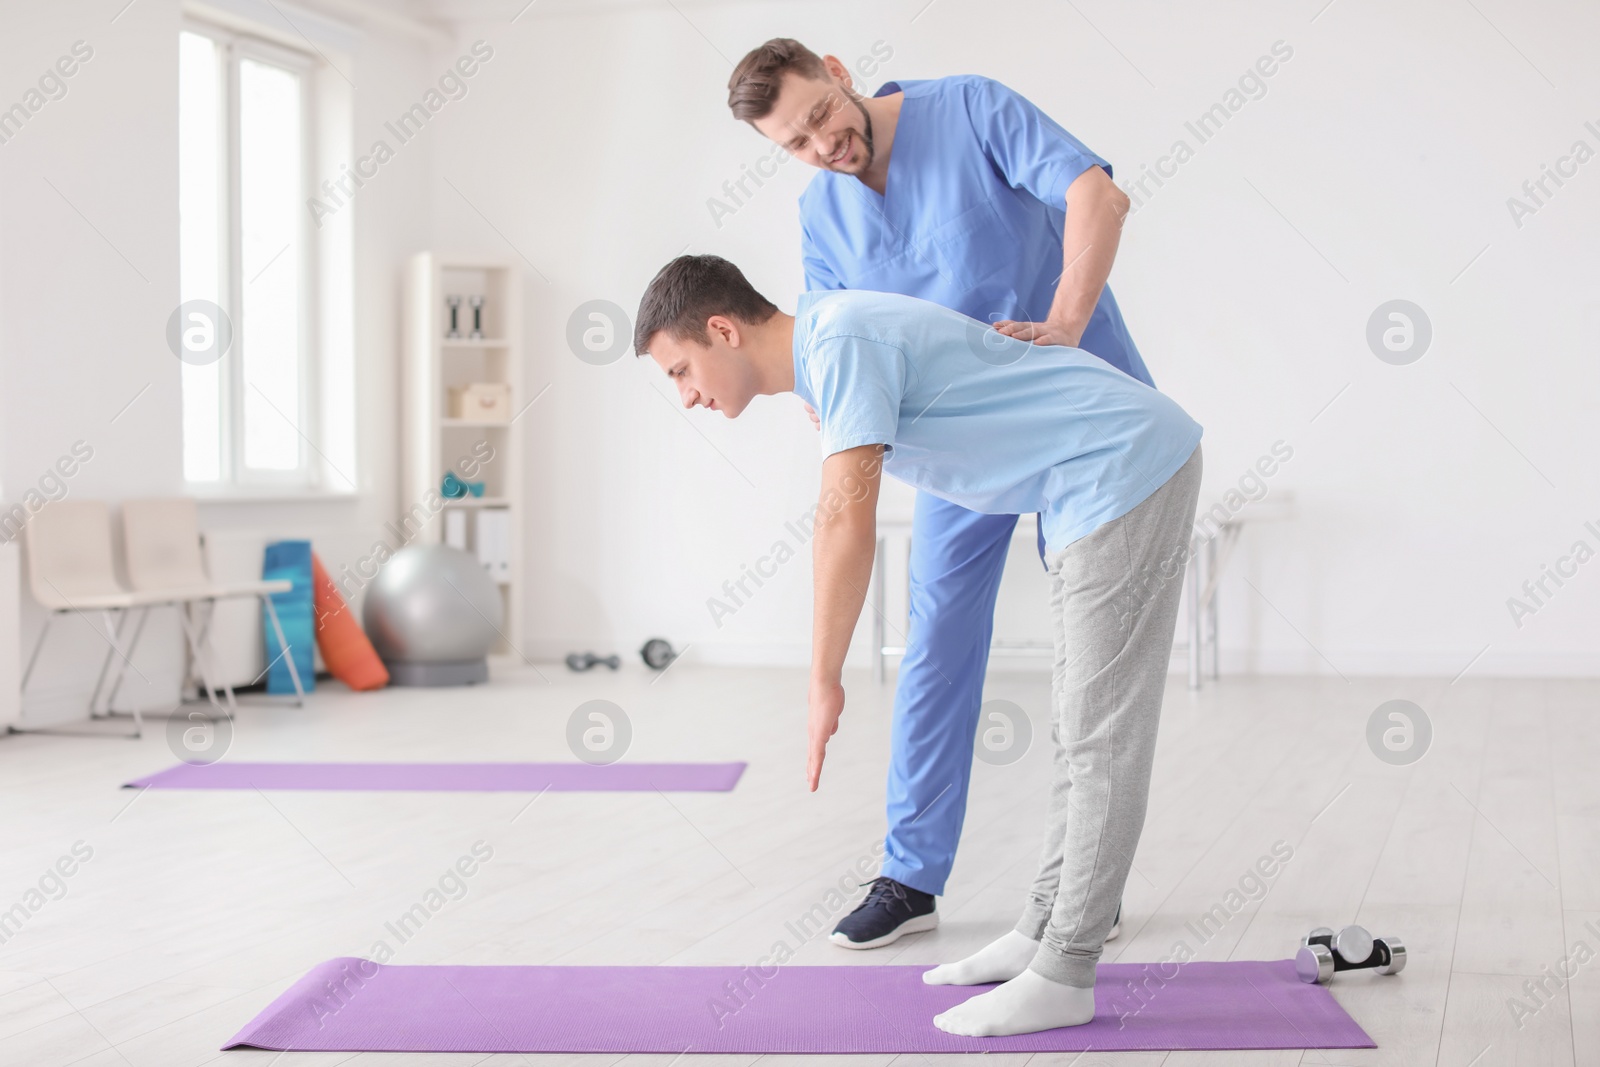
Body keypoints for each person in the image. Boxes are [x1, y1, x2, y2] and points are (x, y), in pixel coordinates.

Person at [631, 254, 1203, 1035]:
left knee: (1103, 733)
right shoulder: (833, 352)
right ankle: (1042, 927)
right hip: (1086, 482)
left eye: (680, 370)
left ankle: (1067, 970)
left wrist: (822, 678)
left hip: (1123, 466)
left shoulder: (839, 341)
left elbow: (842, 516)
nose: (687, 395)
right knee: (1077, 726)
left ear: (723, 330)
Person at [726, 39, 1155, 949]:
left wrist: (1066, 325)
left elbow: (1096, 195)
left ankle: (1088, 873)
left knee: (1095, 648)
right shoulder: (823, 213)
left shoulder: (968, 108)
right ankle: (910, 874)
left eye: (819, 117)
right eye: (794, 144)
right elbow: (835, 337)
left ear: (838, 70)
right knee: (936, 639)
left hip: (1077, 408)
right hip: (961, 447)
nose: (821, 147)